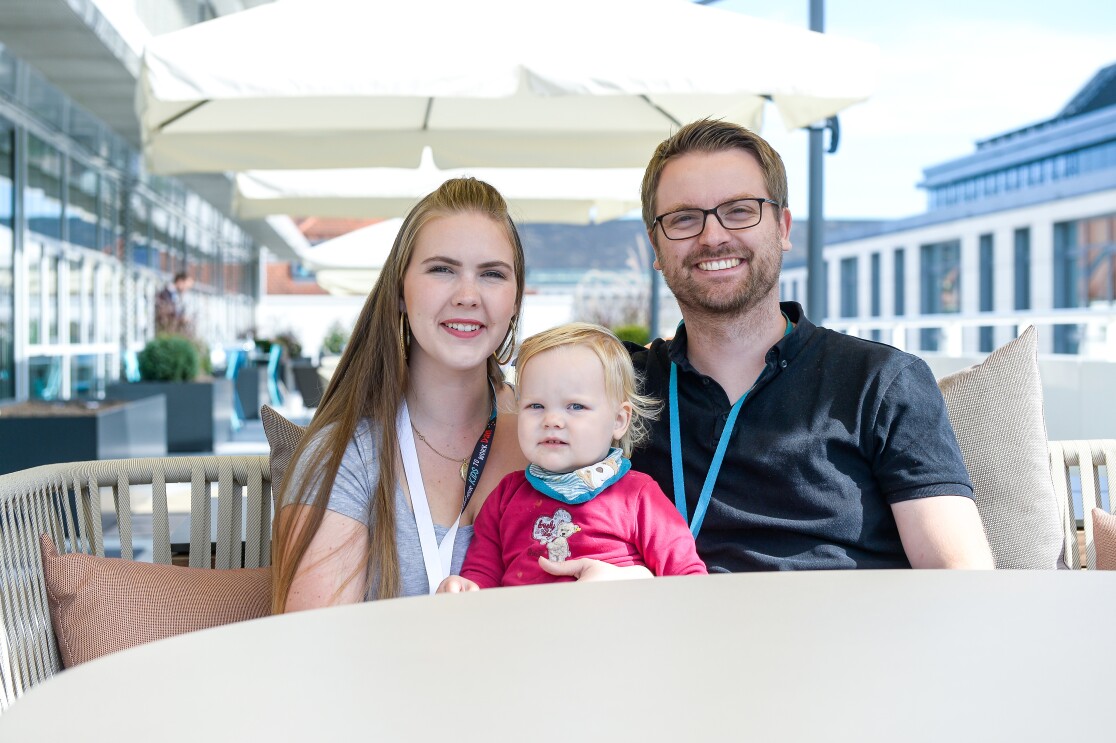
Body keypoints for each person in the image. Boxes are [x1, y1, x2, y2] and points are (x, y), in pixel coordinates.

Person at [621, 118, 993, 571]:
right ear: (655, 247)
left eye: (739, 210)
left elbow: (961, 581)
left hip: (841, 637)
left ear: (782, 226)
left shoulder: (880, 382)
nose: (713, 236)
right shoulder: (616, 387)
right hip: (666, 635)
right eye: (684, 219)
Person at [271, 178, 529, 611]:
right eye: (442, 269)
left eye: (492, 274)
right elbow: (313, 654)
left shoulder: (560, 440)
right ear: (400, 292)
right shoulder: (345, 456)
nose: (468, 295)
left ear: (515, 300)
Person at [437, 323, 706, 592]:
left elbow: (688, 576)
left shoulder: (638, 496)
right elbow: (482, 572)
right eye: (536, 406)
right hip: (523, 630)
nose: (552, 420)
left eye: (575, 406)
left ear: (619, 419)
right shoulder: (505, 497)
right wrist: (466, 588)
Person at [155, 271, 194, 335]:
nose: (186, 289)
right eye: (186, 286)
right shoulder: (165, 294)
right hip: (165, 331)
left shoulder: (176, 295)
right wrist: (181, 319)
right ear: (180, 282)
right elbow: (164, 312)